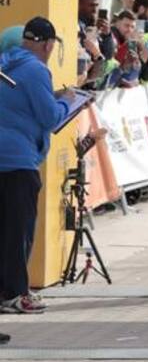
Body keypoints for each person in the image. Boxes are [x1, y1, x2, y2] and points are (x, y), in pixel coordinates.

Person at [0, 18, 95, 316]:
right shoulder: (37, 69)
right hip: (19, 160)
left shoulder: (6, 63)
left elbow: (17, 102)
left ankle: (7, 291)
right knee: (19, 232)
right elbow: (49, 118)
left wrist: (53, 98)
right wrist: (68, 102)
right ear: (49, 45)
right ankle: (15, 294)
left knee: (4, 230)